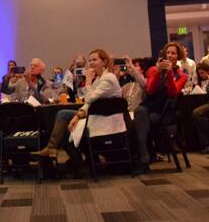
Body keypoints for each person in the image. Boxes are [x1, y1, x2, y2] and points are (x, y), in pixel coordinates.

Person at [32, 49, 122, 166]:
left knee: (62, 115)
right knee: (64, 125)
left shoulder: (108, 78)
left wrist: (88, 80)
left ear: (104, 62)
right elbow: (89, 103)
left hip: (107, 120)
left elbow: (89, 99)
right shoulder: (100, 78)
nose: (91, 63)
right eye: (90, 60)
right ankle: (75, 159)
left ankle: (62, 153)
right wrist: (77, 115)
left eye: (94, 60)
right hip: (96, 115)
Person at [133, 42, 189, 171]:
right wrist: (158, 72)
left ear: (178, 56)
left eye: (173, 53)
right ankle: (145, 153)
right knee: (140, 111)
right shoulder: (153, 70)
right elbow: (150, 90)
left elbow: (173, 92)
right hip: (150, 107)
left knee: (140, 120)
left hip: (165, 112)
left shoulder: (182, 76)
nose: (169, 55)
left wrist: (169, 74)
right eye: (167, 53)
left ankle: (144, 156)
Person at [191, 63, 209, 154]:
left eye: (202, 73)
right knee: (197, 118)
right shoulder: (199, 82)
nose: (201, 75)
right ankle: (205, 144)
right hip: (203, 102)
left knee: (196, 113)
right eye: (199, 74)